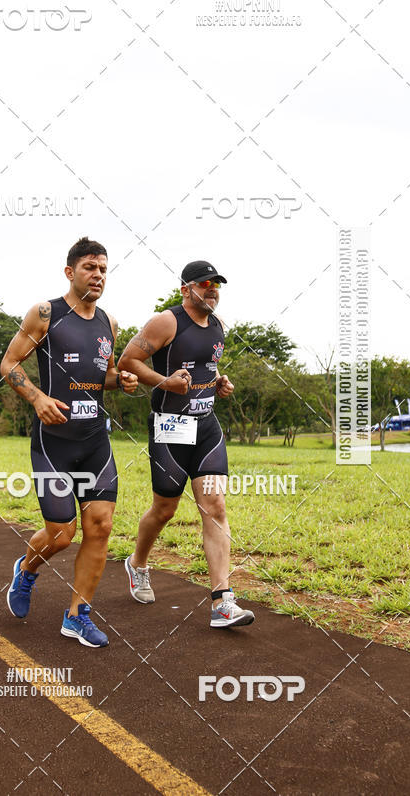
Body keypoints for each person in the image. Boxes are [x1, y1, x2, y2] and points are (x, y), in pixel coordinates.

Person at [0, 237, 137, 647]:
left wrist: (123, 381)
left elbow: (104, 377)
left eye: (103, 269)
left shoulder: (109, 324)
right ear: (70, 272)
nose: (98, 276)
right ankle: (26, 570)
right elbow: (9, 363)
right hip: (54, 442)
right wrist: (38, 397)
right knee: (62, 533)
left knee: (100, 527)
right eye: (90, 268)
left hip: (95, 440)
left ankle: (76, 616)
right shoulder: (46, 314)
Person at [117, 260, 255, 629]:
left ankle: (222, 601)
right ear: (185, 289)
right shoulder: (166, 322)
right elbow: (128, 360)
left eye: (217, 284)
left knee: (215, 506)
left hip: (207, 427)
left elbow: (205, 371)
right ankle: (138, 563)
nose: (212, 290)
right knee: (164, 509)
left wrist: (220, 383)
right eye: (204, 283)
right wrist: (163, 382)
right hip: (170, 428)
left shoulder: (220, 326)